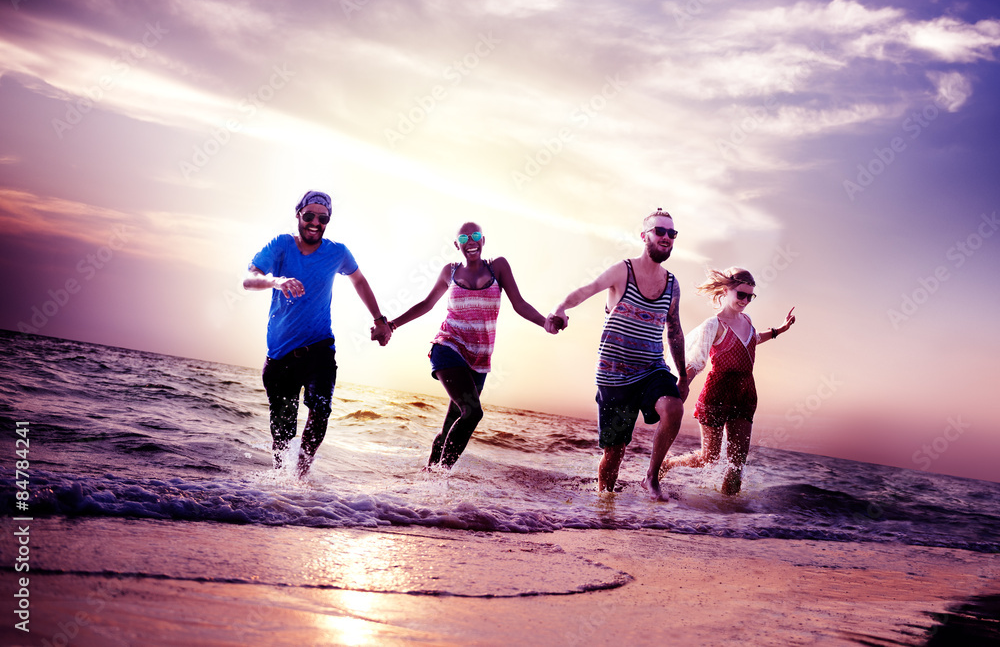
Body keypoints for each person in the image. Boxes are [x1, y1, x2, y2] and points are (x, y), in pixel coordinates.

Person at [381, 222, 555, 469]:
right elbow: (427, 304)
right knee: (473, 413)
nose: (470, 241)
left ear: (483, 240)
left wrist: (545, 322)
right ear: (457, 245)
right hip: (448, 347)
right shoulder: (449, 272)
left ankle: (427, 483)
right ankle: (442, 475)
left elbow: (519, 303)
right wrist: (392, 325)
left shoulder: (499, 266)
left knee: (452, 423)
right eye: (464, 237)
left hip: (479, 361)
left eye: (475, 236)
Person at [243, 191, 392, 477]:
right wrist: (277, 281)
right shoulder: (281, 245)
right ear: (298, 214)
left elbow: (359, 280)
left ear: (327, 221)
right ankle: (281, 485)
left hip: (319, 349)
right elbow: (249, 279)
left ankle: (300, 476)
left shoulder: (337, 252)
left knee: (321, 412)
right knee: (283, 433)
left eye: (322, 218)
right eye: (309, 216)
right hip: (280, 357)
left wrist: (379, 320)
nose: (315, 222)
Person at [547, 208, 689, 501]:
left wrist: (684, 376)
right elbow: (588, 289)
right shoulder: (622, 271)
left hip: (652, 368)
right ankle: (604, 505)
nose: (666, 238)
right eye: (659, 232)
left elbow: (674, 330)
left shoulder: (673, 285)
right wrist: (559, 309)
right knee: (614, 453)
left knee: (673, 408)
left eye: (671, 234)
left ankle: (651, 477)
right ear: (644, 236)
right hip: (614, 374)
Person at [664, 267, 795, 495]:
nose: (745, 301)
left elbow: (753, 339)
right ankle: (668, 464)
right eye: (741, 295)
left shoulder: (747, 320)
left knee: (737, 464)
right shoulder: (713, 325)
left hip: (746, 395)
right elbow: (697, 361)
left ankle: (727, 521)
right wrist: (682, 384)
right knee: (709, 458)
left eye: (750, 296)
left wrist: (780, 330)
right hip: (717, 395)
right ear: (726, 290)